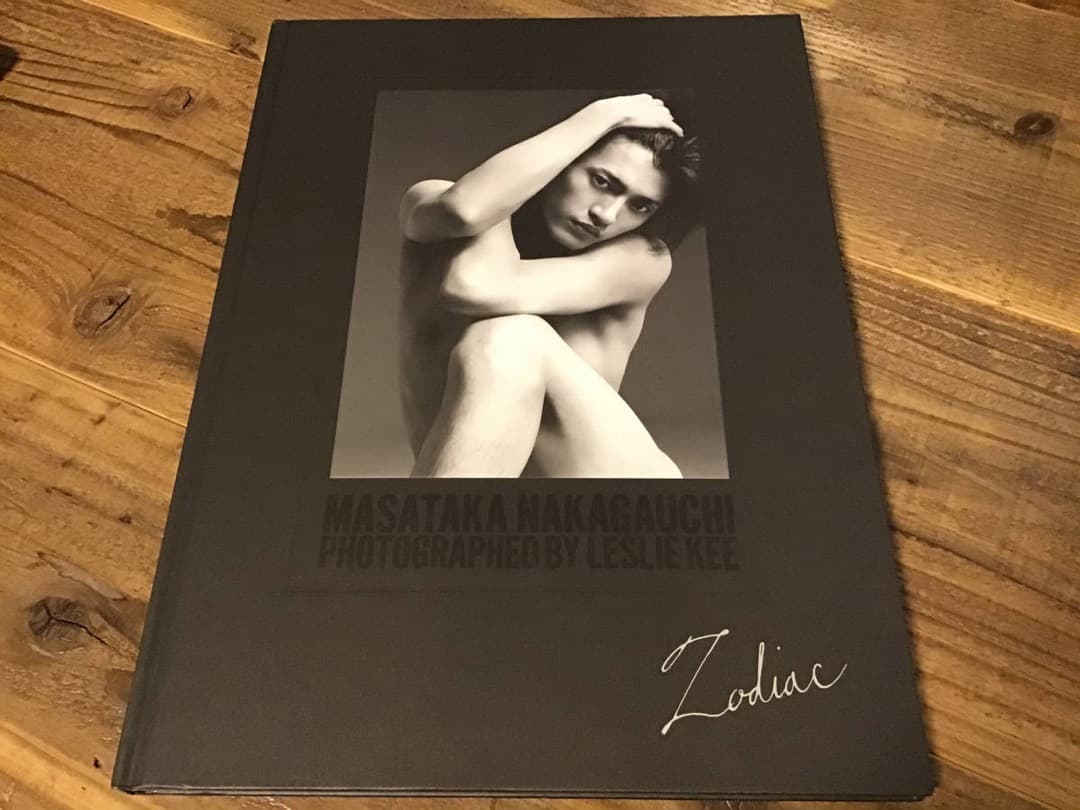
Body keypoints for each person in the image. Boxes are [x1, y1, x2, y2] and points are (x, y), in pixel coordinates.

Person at [397, 93, 702, 477]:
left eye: (640, 206)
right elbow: (464, 211)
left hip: (612, 487)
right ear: (560, 161)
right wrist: (601, 114)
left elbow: (474, 286)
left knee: (513, 337)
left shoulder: (641, 259)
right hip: (492, 494)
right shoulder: (429, 201)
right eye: (602, 181)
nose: (606, 215)